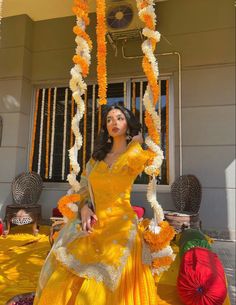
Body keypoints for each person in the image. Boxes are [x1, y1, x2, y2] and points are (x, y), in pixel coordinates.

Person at [33, 104, 161, 305]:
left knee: (103, 284)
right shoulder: (96, 159)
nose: (114, 122)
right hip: (94, 223)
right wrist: (84, 208)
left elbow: (143, 159)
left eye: (120, 118)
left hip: (121, 227)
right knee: (66, 276)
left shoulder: (135, 155)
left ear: (128, 124)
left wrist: (137, 141)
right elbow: (84, 188)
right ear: (105, 127)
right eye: (109, 119)